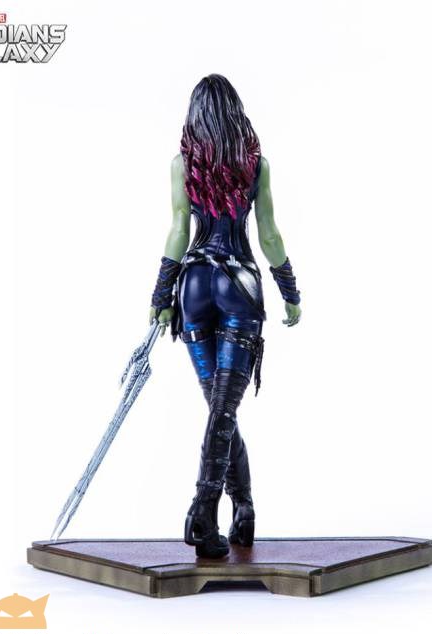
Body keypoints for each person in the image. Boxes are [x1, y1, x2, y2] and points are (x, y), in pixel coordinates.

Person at [149, 74, 302, 558]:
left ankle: (244, 508)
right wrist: (290, 291)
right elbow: (269, 235)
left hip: (194, 284)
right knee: (223, 409)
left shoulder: (182, 164)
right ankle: (202, 510)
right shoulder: (256, 165)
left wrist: (162, 292)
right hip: (239, 285)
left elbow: (179, 229)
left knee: (221, 410)